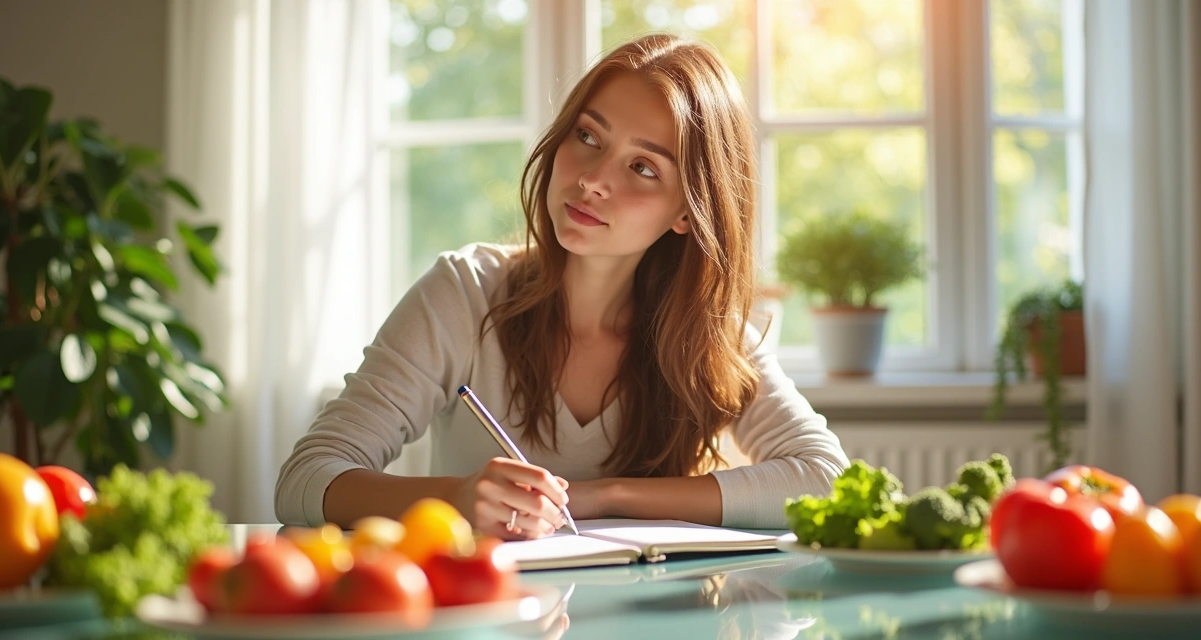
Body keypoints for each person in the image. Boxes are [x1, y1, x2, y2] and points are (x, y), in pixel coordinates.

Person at [275, 33, 848, 539]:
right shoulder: (464, 293)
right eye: (588, 136)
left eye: (643, 168)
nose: (593, 179)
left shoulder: (711, 334)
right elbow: (306, 479)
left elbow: (826, 479)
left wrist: (602, 496)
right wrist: (457, 499)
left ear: (686, 211)